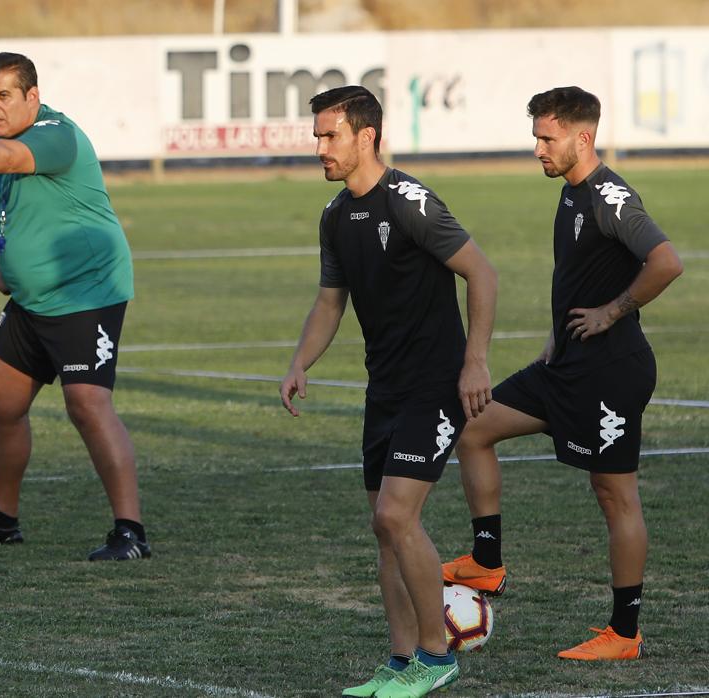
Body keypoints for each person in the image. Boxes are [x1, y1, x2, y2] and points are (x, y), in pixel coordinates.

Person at [442, 86, 682, 660]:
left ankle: (623, 635)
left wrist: (612, 311)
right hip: (566, 366)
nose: (538, 149)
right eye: (536, 138)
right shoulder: (571, 193)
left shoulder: (610, 196)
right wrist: (559, 332)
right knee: (471, 425)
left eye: (547, 138)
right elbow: (584, 274)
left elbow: (666, 261)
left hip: (611, 375)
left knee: (614, 495)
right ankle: (487, 562)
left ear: (583, 137)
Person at [280, 85, 497, 698]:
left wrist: (474, 362)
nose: (318, 146)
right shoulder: (334, 215)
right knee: (383, 526)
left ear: (365, 136)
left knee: (397, 515)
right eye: (317, 135)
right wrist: (301, 362)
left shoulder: (409, 201)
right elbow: (330, 301)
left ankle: (437, 655)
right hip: (387, 388)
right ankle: (401, 660)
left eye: (329, 135)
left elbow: (481, 272)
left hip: (435, 384)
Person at [0, 52, 149, 561]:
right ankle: (2, 522)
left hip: (86, 292)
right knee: (1, 399)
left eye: (3, 96)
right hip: (33, 301)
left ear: (32, 97)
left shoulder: (54, 134)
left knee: (86, 405)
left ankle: (130, 532)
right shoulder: (1, 147)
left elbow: (11, 161)